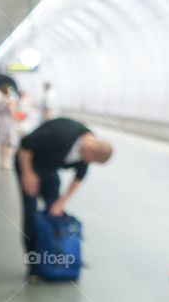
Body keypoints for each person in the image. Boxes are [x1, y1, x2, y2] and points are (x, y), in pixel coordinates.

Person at [14, 118, 113, 280]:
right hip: (29, 164)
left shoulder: (88, 148)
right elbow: (25, 145)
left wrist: (61, 202)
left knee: (54, 212)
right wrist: (27, 173)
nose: (87, 163)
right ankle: (33, 267)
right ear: (91, 148)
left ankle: (53, 259)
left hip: (50, 169)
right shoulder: (61, 134)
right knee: (31, 214)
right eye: (90, 159)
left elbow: (79, 177)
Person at [0, 85, 19, 170]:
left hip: (0, 122)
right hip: (7, 123)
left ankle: (2, 161)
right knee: (8, 143)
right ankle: (5, 161)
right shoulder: (8, 100)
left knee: (2, 143)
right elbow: (13, 112)